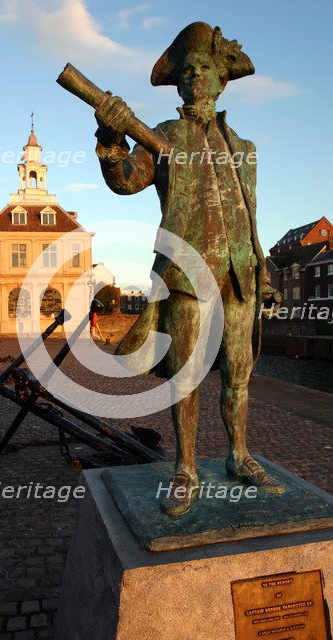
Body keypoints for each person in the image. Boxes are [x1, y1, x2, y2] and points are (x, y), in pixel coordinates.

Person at [94, 22, 284, 517]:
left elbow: (250, 214)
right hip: (187, 272)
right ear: (179, 82)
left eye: (208, 69)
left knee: (238, 373)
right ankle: (186, 468)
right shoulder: (163, 137)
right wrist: (111, 141)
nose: (199, 76)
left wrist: (264, 272)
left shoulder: (245, 150)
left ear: (223, 80)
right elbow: (124, 182)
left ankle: (239, 455)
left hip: (240, 272)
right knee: (187, 374)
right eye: (190, 70)